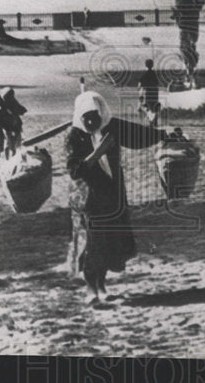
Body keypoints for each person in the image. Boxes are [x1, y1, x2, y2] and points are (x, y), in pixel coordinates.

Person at [64, 91, 168, 305]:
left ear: (101, 113)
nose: (92, 121)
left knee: (109, 241)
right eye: (87, 117)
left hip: (112, 194)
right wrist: (98, 152)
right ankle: (91, 289)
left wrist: (164, 135)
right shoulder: (74, 136)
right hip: (88, 198)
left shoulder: (111, 127)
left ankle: (102, 286)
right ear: (80, 117)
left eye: (95, 115)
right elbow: (75, 170)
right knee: (93, 242)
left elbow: (138, 136)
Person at [0, 87, 28, 159]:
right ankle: (8, 159)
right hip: (8, 127)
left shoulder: (13, 103)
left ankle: (12, 158)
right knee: (9, 144)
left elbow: (23, 110)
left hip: (15, 126)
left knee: (14, 144)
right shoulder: (2, 106)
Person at [137, 59, 161, 125]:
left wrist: (140, 90)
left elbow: (141, 84)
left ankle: (151, 120)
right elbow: (157, 83)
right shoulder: (154, 74)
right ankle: (154, 120)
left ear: (146, 65)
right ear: (152, 65)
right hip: (155, 92)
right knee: (154, 106)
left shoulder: (145, 74)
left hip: (148, 92)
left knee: (147, 107)